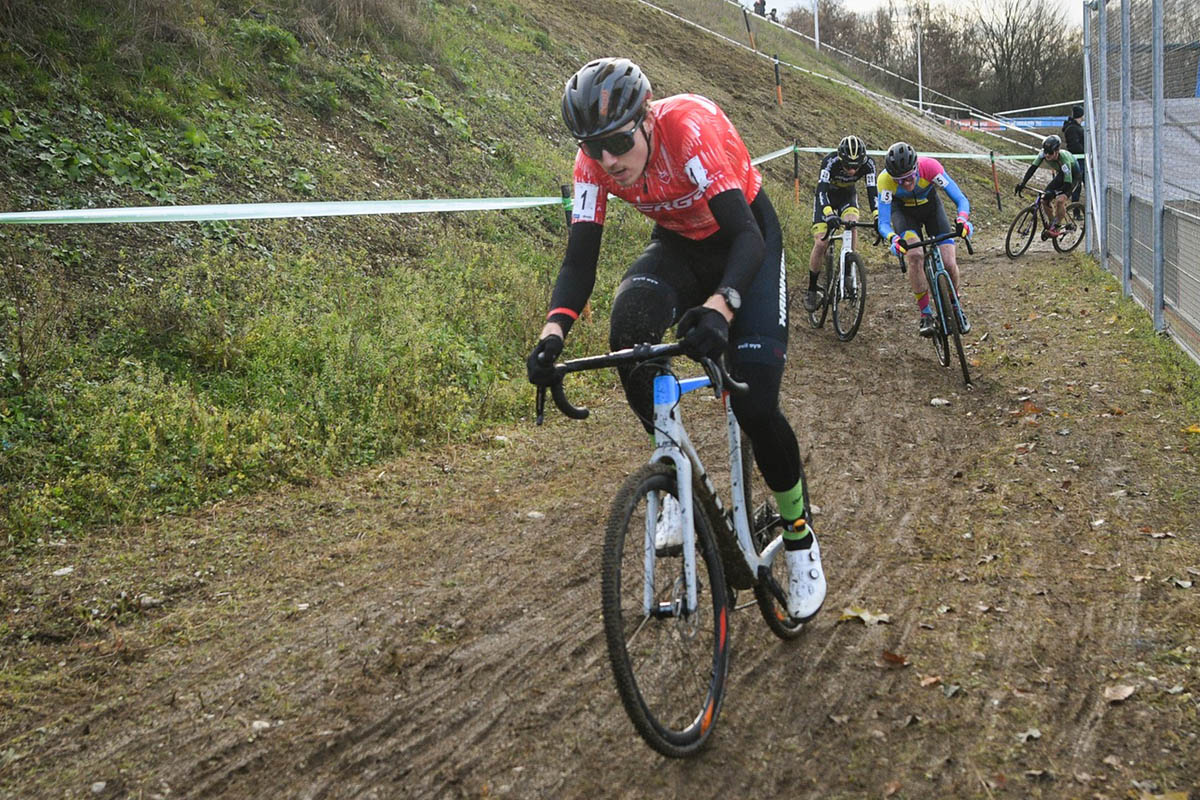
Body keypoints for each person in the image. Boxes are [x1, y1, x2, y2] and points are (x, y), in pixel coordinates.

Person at [526, 57, 826, 621]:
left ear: (643, 120)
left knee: (755, 402)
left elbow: (746, 237)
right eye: (594, 148)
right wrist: (552, 333)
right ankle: (674, 482)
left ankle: (799, 537)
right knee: (630, 330)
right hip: (681, 247)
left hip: (747, 243)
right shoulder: (592, 164)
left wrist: (721, 305)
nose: (608, 160)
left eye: (617, 141)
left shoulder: (689, 129)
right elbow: (580, 260)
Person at [875, 141, 973, 338]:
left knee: (948, 261)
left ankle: (955, 305)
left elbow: (961, 199)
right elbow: (883, 222)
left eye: (910, 177)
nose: (907, 183)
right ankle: (926, 314)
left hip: (931, 209)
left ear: (916, 168)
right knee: (915, 255)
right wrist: (893, 238)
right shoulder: (885, 181)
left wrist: (963, 219)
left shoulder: (930, 167)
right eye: (900, 181)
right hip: (904, 215)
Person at [803, 134, 878, 313]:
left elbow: (872, 192)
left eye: (856, 167)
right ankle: (812, 289)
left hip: (847, 197)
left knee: (852, 224)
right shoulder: (830, 162)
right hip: (826, 198)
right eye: (847, 166)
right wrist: (828, 214)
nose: (852, 171)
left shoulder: (869, 164)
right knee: (821, 242)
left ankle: (850, 269)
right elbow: (821, 191)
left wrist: (877, 217)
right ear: (840, 159)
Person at [1014, 134, 1081, 240]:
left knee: (1059, 200)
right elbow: (1032, 168)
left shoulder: (1064, 159)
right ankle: (1052, 223)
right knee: (1044, 199)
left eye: (1050, 152)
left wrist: (1055, 193)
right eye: (1045, 151)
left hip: (1073, 176)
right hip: (1061, 174)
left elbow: (1067, 184)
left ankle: (1057, 225)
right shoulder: (1043, 154)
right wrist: (1023, 183)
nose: (1047, 155)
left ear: (1057, 151)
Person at [1061, 105, 1085, 203]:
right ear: (1080, 115)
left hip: (1082, 159)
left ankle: (1092, 208)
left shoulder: (1076, 127)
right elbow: (1074, 145)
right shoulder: (1072, 128)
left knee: (1087, 183)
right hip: (1077, 160)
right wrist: (1085, 151)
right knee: (1077, 184)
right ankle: (1075, 209)